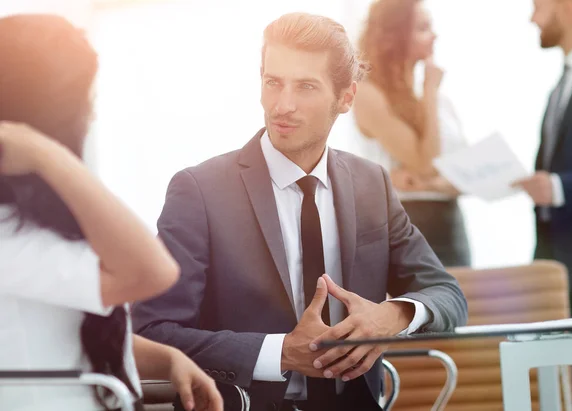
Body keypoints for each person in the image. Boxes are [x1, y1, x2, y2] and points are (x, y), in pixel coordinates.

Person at [132, 12, 467, 411]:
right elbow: (150, 331)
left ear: (346, 98)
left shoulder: (371, 184)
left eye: (306, 86)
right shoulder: (200, 190)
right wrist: (279, 353)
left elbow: (447, 294)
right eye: (273, 83)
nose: (283, 105)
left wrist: (392, 316)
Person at [0, 14, 222, 411]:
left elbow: (70, 327)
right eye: (87, 103)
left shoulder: (33, 217)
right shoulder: (6, 232)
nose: (92, 116)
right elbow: (153, 272)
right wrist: (42, 151)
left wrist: (169, 359)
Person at [513, 0, 572, 409]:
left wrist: (560, 187)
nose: (532, 18)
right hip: (557, 266)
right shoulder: (561, 84)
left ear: (565, 6)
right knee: (567, 390)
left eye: (537, 6)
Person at [352, 0, 471, 267]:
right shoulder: (370, 95)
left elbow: (465, 173)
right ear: (394, 35)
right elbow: (425, 164)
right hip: (410, 225)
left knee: (461, 304)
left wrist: (432, 184)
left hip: (451, 223)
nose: (434, 35)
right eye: (423, 28)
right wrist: (429, 90)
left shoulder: (441, 101)